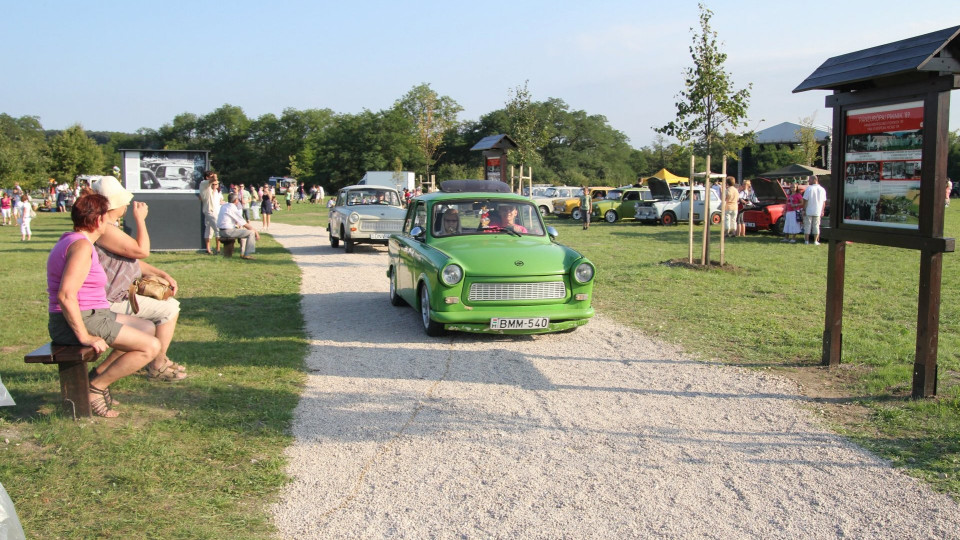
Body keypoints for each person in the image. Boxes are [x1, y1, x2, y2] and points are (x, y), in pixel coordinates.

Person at [46, 193, 161, 417]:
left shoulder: (76, 241)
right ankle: (95, 388)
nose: (112, 222)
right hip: (82, 319)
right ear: (98, 220)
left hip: (94, 313)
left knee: (146, 327)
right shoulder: (81, 247)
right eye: (108, 217)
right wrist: (85, 337)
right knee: (151, 347)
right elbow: (66, 295)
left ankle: (99, 376)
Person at [88, 177, 186, 382]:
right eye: (123, 201)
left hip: (112, 296)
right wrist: (140, 220)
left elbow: (128, 260)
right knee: (169, 309)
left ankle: (101, 371)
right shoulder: (105, 228)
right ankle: (158, 364)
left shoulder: (106, 226)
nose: (127, 204)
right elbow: (142, 251)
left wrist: (160, 273)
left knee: (144, 325)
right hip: (109, 300)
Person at [218, 192, 260, 260]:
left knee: (241, 231)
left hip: (221, 231)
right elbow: (244, 224)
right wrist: (256, 232)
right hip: (228, 231)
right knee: (251, 233)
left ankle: (239, 252)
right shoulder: (232, 208)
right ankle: (247, 254)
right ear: (236, 200)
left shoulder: (224, 206)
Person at [199, 171, 223, 254]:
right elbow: (214, 179)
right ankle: (218, 249)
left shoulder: (215, 191)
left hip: (213, 211)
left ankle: (208, 249)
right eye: (211, 176)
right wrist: (215, 176)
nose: (215, 184)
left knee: (208, 230)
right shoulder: (203, 183)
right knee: (218, 229)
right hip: (210, 210)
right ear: (207, 177)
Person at [803, 175, 828, 245]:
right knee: (816, 226)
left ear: (814, 180)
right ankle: (815, 241)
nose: (809, 181)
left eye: (810, 180)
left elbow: (805, 200)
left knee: (807, 225)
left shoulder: (809, 189)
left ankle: (806, 241)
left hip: (809, 210)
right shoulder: (822, 189)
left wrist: (804, 209)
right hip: (818, 210)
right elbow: (824, 202)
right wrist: (822, 210)